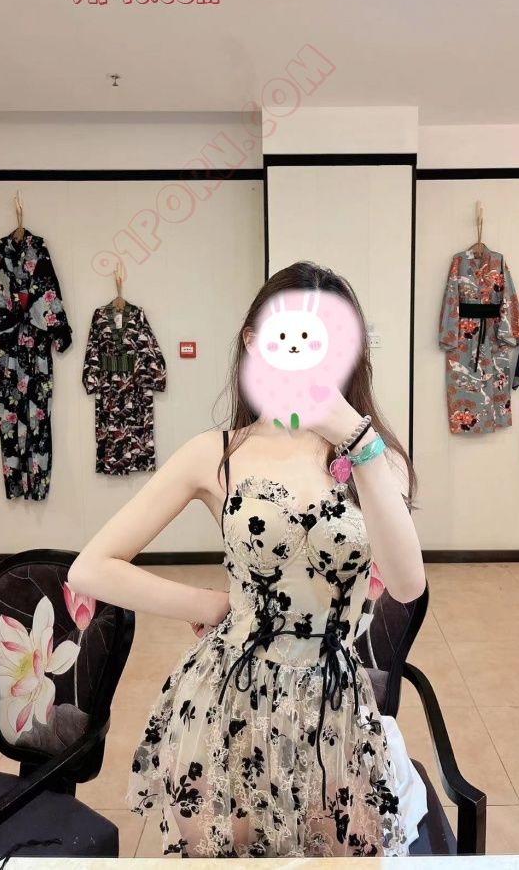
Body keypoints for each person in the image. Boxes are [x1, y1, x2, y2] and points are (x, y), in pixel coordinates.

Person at [69, 261, 426, 858]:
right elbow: (91, 567)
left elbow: (408, 584)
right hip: (229, 697)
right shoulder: (216, 454)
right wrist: (210, 603)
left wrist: (359, 441)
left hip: (333, 706)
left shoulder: (375, 457)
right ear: (253, 340)